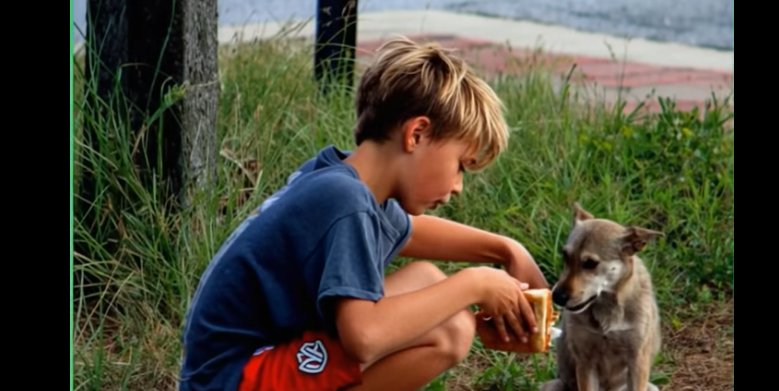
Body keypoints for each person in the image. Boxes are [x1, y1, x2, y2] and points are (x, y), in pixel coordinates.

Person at [179, 36, 549, 391]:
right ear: (417, 134)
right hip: (236, 378)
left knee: (425, 279)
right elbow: (364, 338)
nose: (458, 186)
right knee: (450, 327)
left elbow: (412, 231)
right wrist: (475, 284)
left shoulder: (337, 179)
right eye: (460, 166)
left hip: (227, 372)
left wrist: (505, 250)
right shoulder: (346, 200)